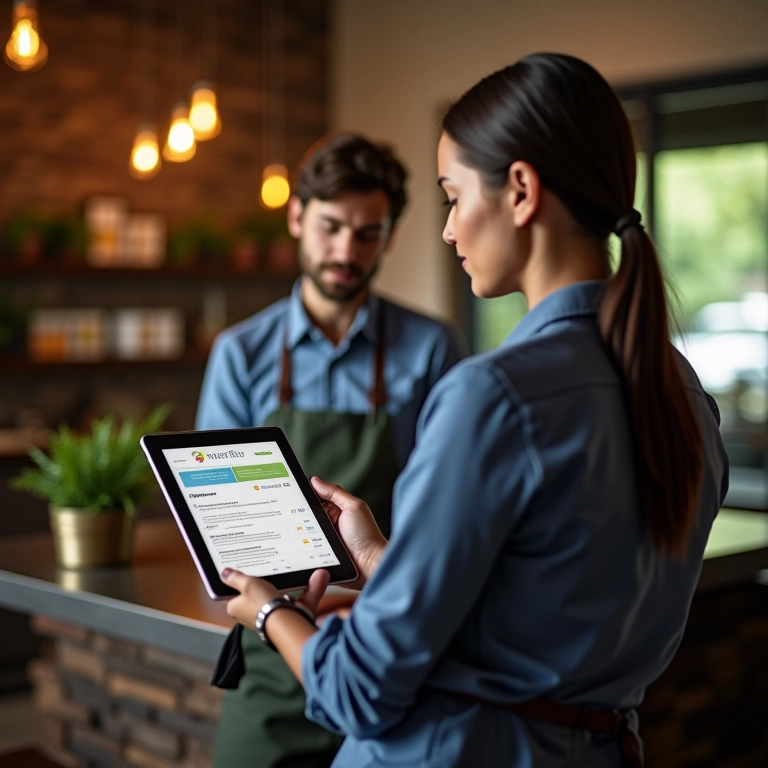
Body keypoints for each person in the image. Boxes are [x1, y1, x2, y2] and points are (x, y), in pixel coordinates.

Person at [220, 53, 729, 767]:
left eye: (453, 197)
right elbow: (531, 605)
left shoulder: (493, 395)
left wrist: (272, 613)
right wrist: (377, 559)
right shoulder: (686, 397)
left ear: (520, 191)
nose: (449, 230)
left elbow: (360, 690)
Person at [196, 131, 464, 768]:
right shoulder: (241, 353)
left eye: (368, 233)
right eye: (331, 227)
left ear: (390, 236)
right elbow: (220, 522)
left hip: (387, 642)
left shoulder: (430, 347)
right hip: (270, 639)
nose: (347, 250)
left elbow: (442, 512)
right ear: (296, 216)